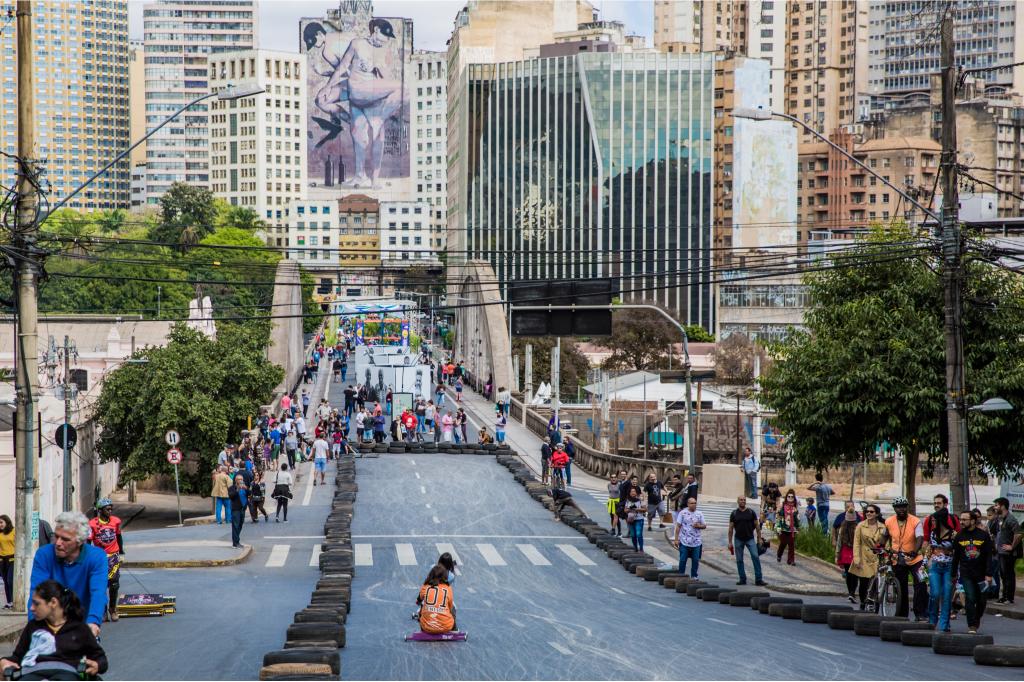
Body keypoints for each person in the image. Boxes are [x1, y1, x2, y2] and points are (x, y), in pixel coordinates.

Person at [1, 580, 107, 678]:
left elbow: (100, 659)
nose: (31, 608)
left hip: (66, 674)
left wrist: (97, 665)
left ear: (53, 603)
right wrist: (4, 661)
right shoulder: (33, 627)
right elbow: (17, 657)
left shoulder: (79, 629)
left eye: (36, 604)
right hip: (33, 674)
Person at [29, 512, 108, 637]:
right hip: (49, 627)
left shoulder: (96, 557)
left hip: (82, 626)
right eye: (56, 536)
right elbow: (37, 591)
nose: (58, 543)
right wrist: (34, 625)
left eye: (65, 539)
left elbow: (98, 592)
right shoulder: (44, 554)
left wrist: (93, 622)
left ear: (79, 541)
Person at [881, 496, 926, 620]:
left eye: (903, 506)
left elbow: (920, 538)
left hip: (916, 559)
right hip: (897, 558)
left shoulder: (915, 521)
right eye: (898, 507)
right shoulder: (889, 521)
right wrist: (879, 546)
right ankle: (901, 616)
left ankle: (920, 613)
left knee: (922, 583)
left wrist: (915, 551)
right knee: (901, 588)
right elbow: (885, 536)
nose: (901, 509)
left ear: (907, 507)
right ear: (894, 509)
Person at [952, 509, 995, 634]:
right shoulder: (959, 536)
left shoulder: (983, 535)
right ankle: (972, 625)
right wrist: (953, 574)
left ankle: (977, 619)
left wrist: (989, 574)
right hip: (966, 574)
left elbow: (988, 556)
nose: (962, 522)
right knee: (970, 597)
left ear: (973, 521)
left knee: (982, 600)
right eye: (961, 519)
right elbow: (956, 557)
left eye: (964, 519)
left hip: (982, 574)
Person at [87, 499, 124, 623]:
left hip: (113, 555)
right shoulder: (92, 524)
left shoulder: (116, 521)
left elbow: (119, 537)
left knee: (114, 584)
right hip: (100, 558)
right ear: (100, 510)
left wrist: (122, 553)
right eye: (107, 509)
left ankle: (112, 609)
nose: (110, 511)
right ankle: (103, 611)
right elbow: (88, 541)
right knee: (101, 585)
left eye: (111, 509)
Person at [849, 504, 886, 610]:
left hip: (877, 557)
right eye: (867, 511)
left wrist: (887, 556)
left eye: (871, 512)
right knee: (864, 582)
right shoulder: (860, 525)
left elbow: (886, 543)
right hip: (863, 556)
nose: (868, 513)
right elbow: (856, 542)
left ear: (877, 514)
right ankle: (863, 601)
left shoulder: (882, 527)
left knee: (876, 581)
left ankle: (872, 600)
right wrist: (856, 558)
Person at [926, 507, 956, 632]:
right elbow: (931, 549)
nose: (932, 523)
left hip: (949, 567)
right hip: (935, 566)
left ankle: (944, 624)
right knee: (935, 593)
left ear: (941, 520)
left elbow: (955, 551)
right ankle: (932, 620)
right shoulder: (933, 533)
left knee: (947, 595)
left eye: (934, 520)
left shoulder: (953, 534)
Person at [728, 496, 766, 586]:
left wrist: (759, 539)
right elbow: (730, 529)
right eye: (741, 500)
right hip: (738, 539)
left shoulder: (751, 512)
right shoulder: (734, 513)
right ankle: (742, 579)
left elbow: (757, 526)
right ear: (738, 501)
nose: (743, 501)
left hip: (750, 539)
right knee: (739, 560)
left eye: (744, 500)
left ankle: (759, 579)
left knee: (755, 556)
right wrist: (730, 542)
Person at [992, 496, 1021, 605]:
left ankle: (1009, 597)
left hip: (1007, 553)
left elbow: (1018, 534)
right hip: (1001, 552)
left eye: (997, 505)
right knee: (1003, 575)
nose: (995, 507)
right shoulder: (1000, 518)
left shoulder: (1010, 519)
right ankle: (1004, 596)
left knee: (1008, 575)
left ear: (1003, 506)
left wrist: (1012, 546)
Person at [417, 565, 457, 634]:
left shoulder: (425, 586)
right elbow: (450, 607)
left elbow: (418, 601)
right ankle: (454, 629)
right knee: (453, 607)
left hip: (426, 627)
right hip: (446, 626)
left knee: (422, 607)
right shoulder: (448, 588)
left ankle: (427, 626)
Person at [672, 497, 706, 578]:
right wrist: (676, 539)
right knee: (683, 560)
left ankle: (694, 576)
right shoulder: (682, 513)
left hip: (696, 542)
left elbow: (704, 525)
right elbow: (678, 527)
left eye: (695, 503)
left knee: (695, 561)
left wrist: (699, 526)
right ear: (688, 504)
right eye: (692, 503)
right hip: (684, 541)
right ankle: (681, 575)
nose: (694, 505)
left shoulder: (699, 514)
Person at [835, 509, 858, 603]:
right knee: (855, 574)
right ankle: (852, 592)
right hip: (854, 552)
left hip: (845, 552)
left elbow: (839, 542)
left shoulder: (842, 527)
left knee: (848, 573)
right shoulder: (857, 527)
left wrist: (837, 554)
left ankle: (850, 593)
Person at [776, 489, 800, 565]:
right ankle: (779, 555)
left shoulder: (795, 508)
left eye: (792, 497)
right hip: (783, 528)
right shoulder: (782, 507)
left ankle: (791, 560)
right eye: (789, 496)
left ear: (794, 498)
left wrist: (798, 527)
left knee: (791, 545)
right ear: (786, 497)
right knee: (783, 543)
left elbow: (797, 519)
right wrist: (778, 527)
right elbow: (779, 517)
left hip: (792, 529)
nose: (790, 498)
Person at [623, 488, 647, 552]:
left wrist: (636, 509)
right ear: (629, 493)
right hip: (630, 520)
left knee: (639, 534)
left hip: (639, 519)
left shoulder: (640, 500)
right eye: (631, 491)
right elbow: (625, 510)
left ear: (637, 493)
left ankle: (641, 548)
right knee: (633, 535)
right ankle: (635, 548)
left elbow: (645, 509)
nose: (633, 493)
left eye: (634, 491)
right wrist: (630, 509)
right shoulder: (628, 500)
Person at [228, 474, 248, 548]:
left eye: (241, 479)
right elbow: (231, 496)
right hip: (236, 509)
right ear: (236, 480)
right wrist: (238, 489)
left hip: (243, 509)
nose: (240, 481)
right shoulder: (232, 488)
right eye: (239, 479)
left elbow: (249, 494)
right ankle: (235, 543)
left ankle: (237, 540)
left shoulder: (244, 487)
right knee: (235, 526)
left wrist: (247, 489)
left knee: (240, 525)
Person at [0, 515, 13, 609]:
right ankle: (9, 602)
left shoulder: (14, 531)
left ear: (6, 522)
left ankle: (13, 600)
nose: (0, 524)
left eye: (1, 522)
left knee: (10, 580)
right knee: (5, 581)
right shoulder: (0, 533)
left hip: (12, 558)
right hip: (2, 559)